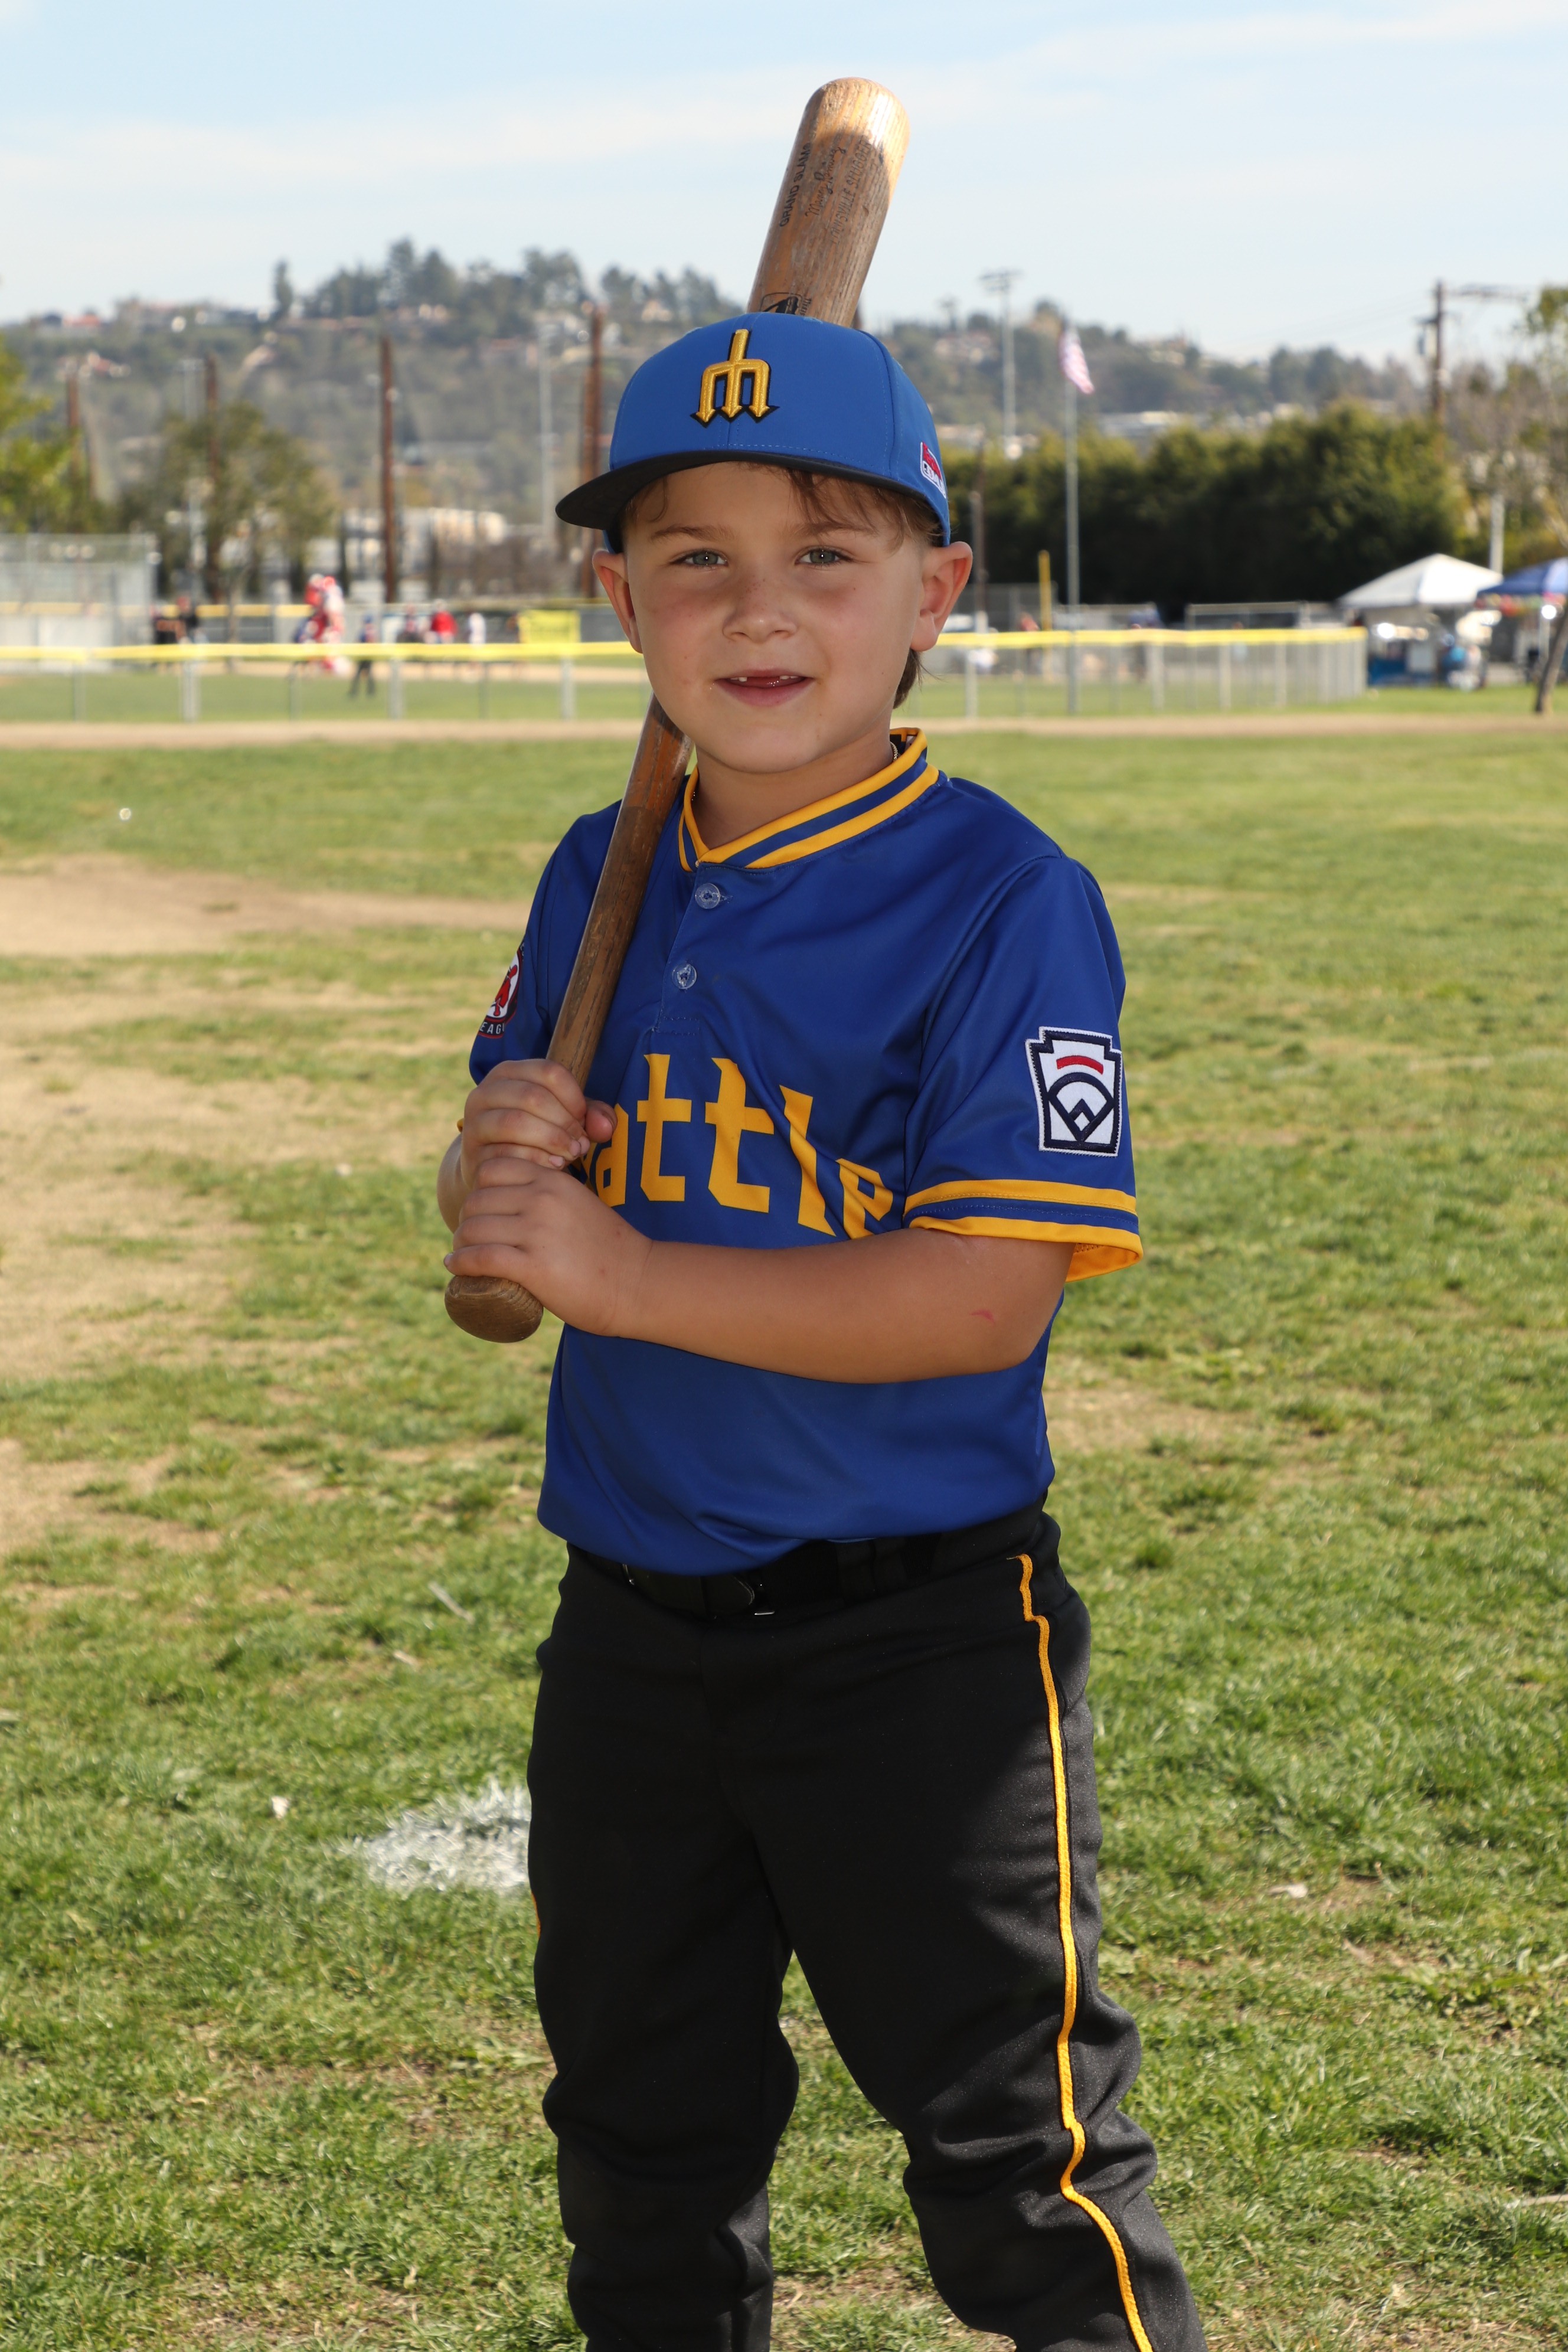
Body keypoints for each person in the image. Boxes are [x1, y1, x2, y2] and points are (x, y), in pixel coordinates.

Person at [439, 312, 1204, 2352]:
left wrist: (613, 1272)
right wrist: (490, 1167)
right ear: (620, 600)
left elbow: (980, 1293)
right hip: (628, 1630)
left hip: (918, 1647)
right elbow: (506, 1207)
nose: (756, 609)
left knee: (1018, 2165)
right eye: (693, 558)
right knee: (642, 2142)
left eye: (824, 556)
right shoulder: (597, 872)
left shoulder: (998, 896)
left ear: (934, 593)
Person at [349, 609, 380, 698]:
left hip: (366, 656)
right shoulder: (370, 631)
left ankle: (360, 691)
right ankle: (368, 692)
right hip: (365, 656)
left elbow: (359, 641)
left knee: (363, 674)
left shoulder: (367, 631)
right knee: (364, 674)